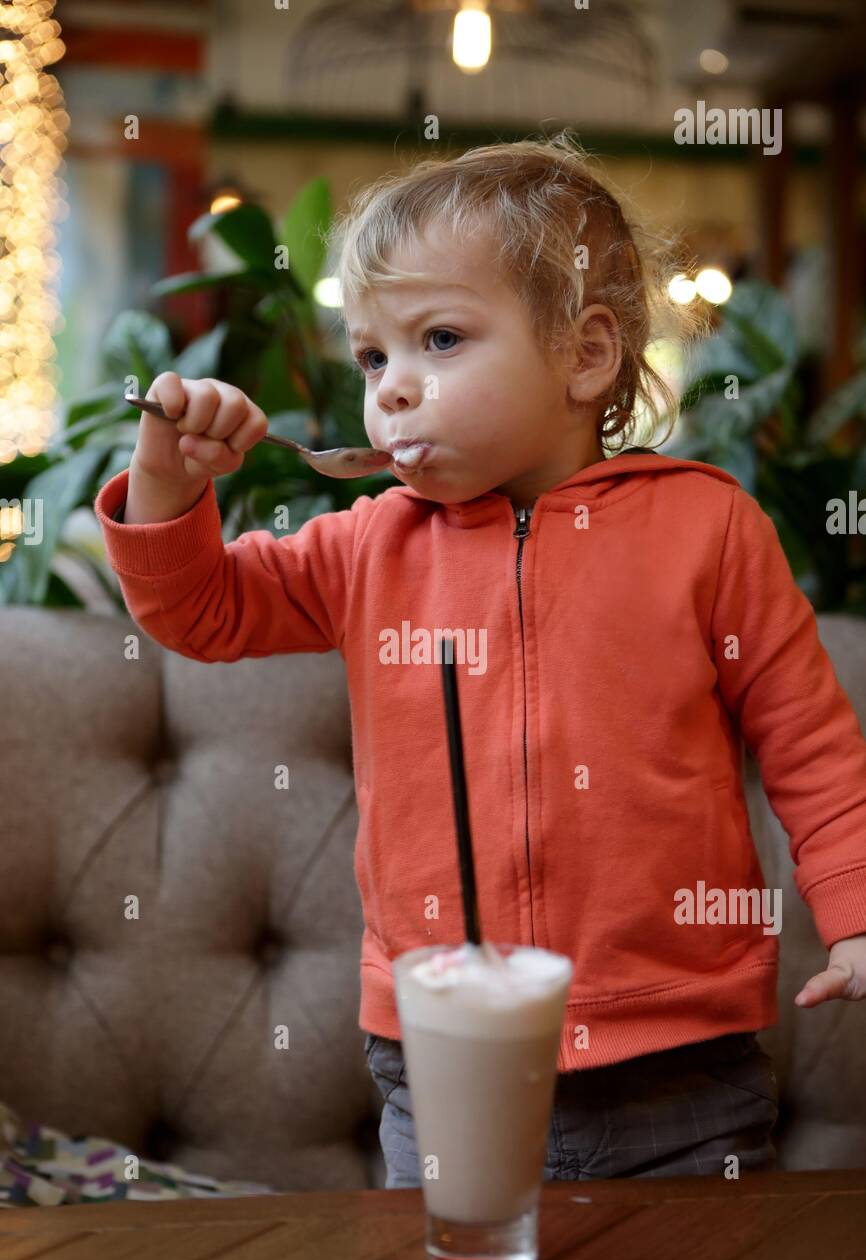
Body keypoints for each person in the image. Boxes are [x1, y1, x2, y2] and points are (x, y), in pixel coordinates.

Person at [94, 132, 866, 1187]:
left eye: (439, 339)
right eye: (372, 358)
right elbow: (200, 611)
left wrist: (856, 915)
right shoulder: (369, 543)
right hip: (440, 1053)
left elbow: (812, 749)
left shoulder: (710, 531)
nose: (391, 389)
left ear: (585, 356)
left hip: (680, 1067)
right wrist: (170, 486)